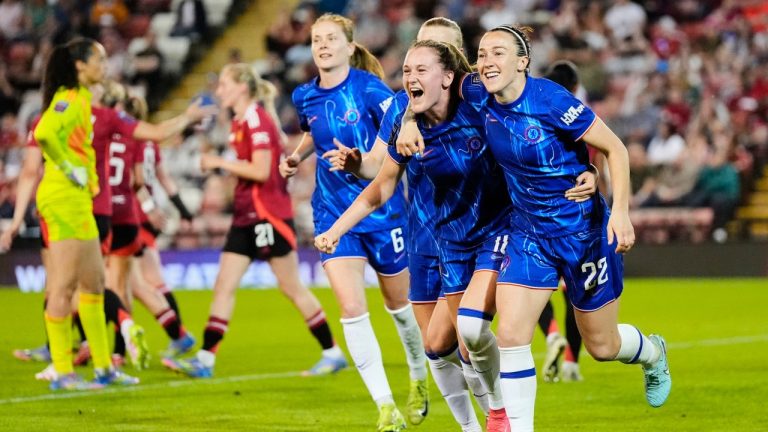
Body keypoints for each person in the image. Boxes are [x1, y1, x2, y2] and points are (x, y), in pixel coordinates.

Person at [398, 25, 671, 430]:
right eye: (483, 54)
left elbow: (616, 147)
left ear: (523, 62)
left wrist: (619, 210)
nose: (488, 62)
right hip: (527, 235)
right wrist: (407, 121)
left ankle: (652, 354)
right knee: (509, 334)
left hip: (582, 234)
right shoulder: (475, 91)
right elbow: (422, 87)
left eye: (499, 54)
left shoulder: (550, 100)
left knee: (602, 345)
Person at [279, 13, 426, 431]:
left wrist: (373, 156)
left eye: (330, 39)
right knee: (350, 307)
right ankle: (385, 407)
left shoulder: (368, 88)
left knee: (401, 308)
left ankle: (418, 376)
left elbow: (403, 118)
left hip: (383, 212)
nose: (322, 45)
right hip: (333, 214)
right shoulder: (304, 95)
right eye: (316, 40)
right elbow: (313, 131)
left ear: (348, 46)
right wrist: (297, 156)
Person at [163, 63, 347, 379]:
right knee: (223, 284)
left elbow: (262, 171)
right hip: (247, 216)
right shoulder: (239, 122)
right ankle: (205, 359)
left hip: (267, 215)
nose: (219, 90)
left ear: (241, 88)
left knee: (290, 286)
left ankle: (332, 352)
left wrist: (219, 162)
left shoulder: (254, 120)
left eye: (224, 84)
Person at [33, 37, 138, 390]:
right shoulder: (69, 97)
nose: (105, 66)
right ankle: (63, 372)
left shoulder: (83, 98)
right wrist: (67, 165)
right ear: (80, 66)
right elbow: (43, 132)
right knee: (63, 285)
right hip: (62, 198)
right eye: (100, 59)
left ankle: (104, 367)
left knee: (94, 283)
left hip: (80, 200)